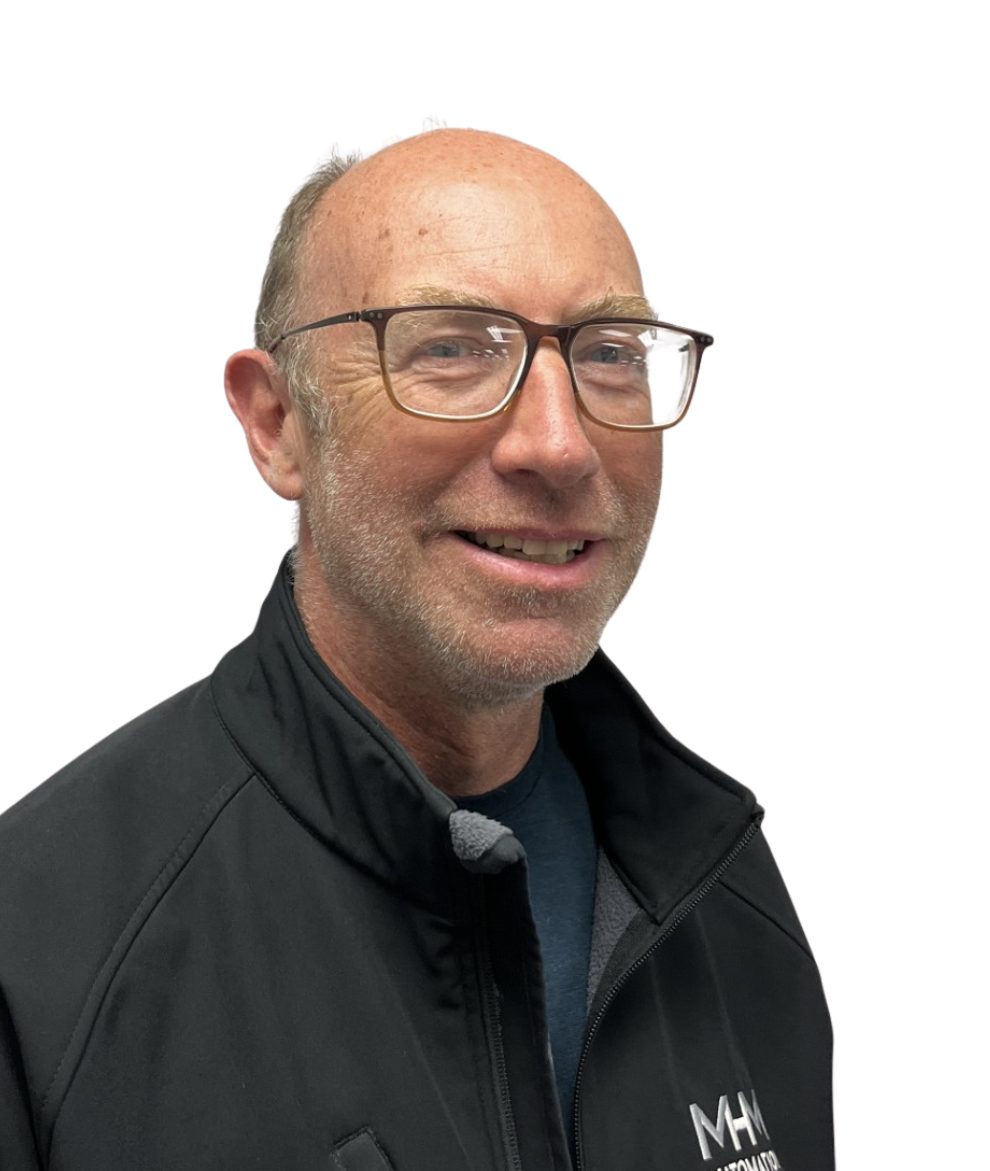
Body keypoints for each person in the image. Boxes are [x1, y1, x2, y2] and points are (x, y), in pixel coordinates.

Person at [0, 130, 833, 1170]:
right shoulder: (43, 962)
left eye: (609, 356)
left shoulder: (723, 894)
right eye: (451, 349)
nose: (559, 443)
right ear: (277, 422)